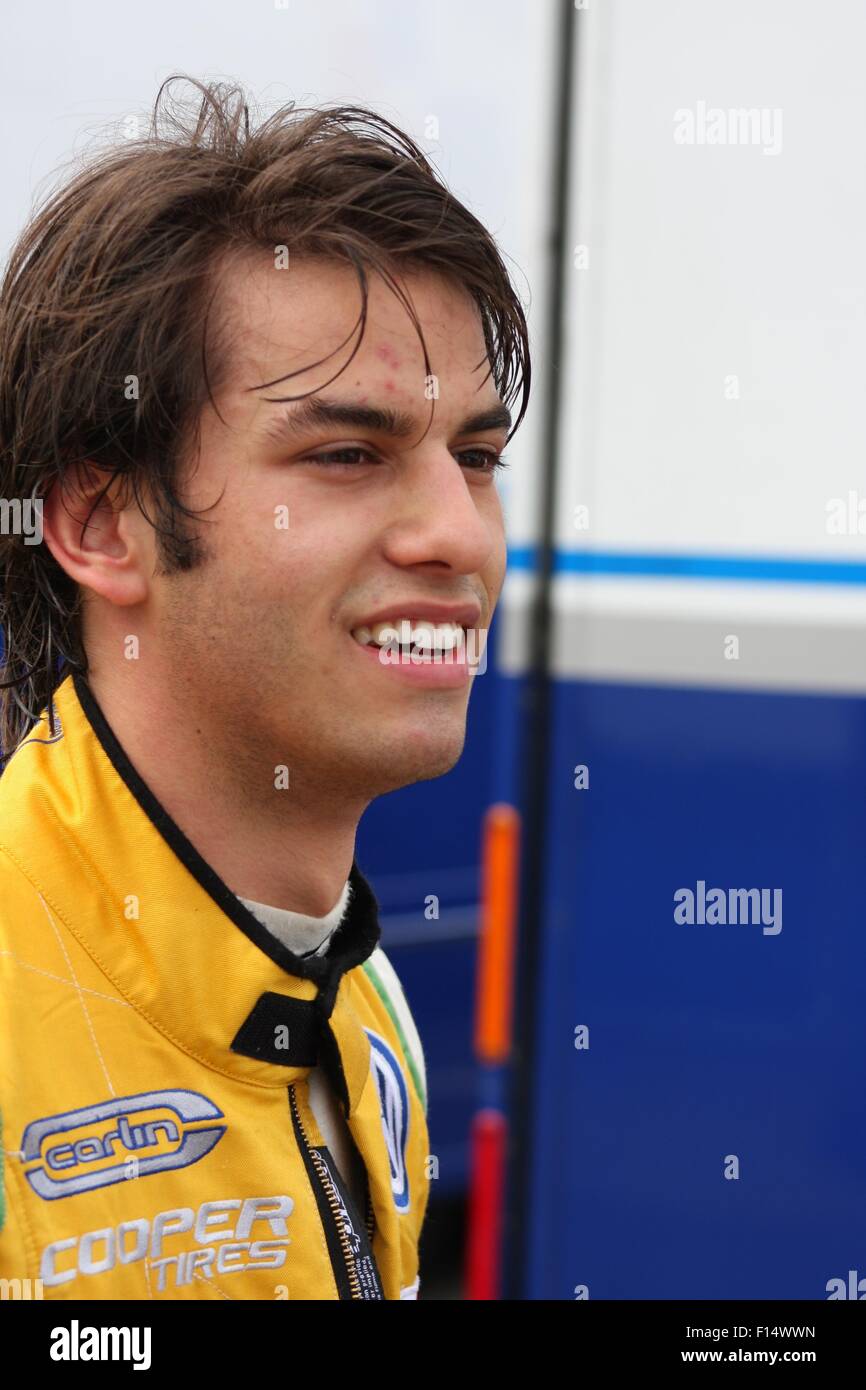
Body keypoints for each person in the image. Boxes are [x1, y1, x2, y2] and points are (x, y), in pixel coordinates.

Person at [0, 75, 529, 1301]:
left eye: (477, 459)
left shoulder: (358, 994)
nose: (460, 537)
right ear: (99, 522)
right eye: (348, 454)